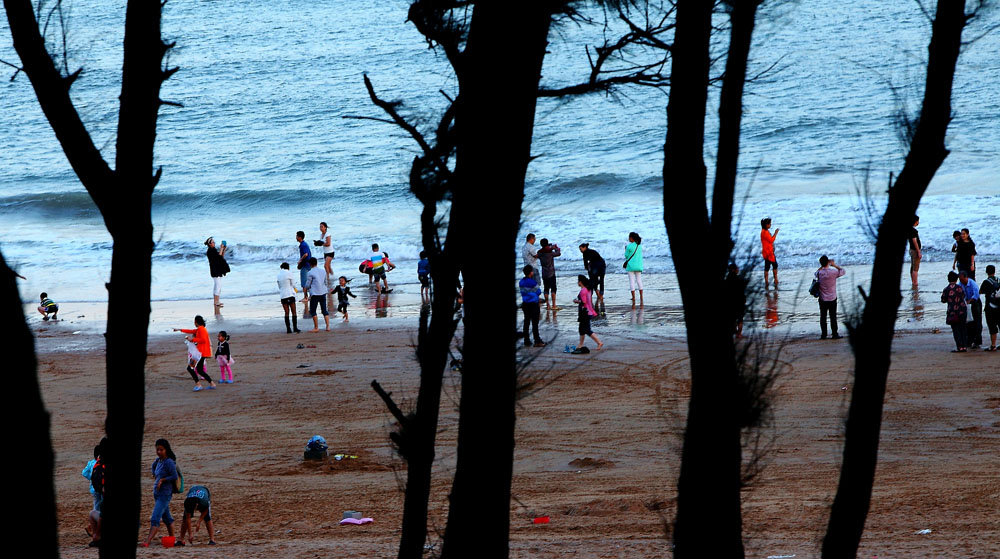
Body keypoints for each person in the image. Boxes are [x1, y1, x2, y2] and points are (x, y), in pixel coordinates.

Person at [141, 439, 178, 547]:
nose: (159, 452)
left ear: (166, 450)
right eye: (157, 449)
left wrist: (162, 480)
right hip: (157, 494)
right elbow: (153, 469)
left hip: (165, 494)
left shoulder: (169, 462)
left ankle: (147, 541)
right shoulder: (158, 461)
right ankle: (172, 540)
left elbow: (174, 476)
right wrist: (156, 477)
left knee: (155, 517)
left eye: (161, 450)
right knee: (167, 518)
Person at [175, 315, 216, 391]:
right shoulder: (200, 329)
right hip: (200, 353)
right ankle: (212, 383)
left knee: (190, 368)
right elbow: (191, 331)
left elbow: (203, 340)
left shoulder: (201, 329)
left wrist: (192, 340)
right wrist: (180, 329)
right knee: (199, 370)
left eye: (194, 321)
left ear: (196, 322)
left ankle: (199, 384)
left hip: (200, 353)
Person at [815, 255, 846, 339]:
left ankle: (824, 334)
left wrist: (823, 265)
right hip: (832, 297)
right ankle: (834, 334)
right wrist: (834, 265)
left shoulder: (819, 273)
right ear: (828, 262)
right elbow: (843, 271)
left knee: (823, 316)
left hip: (822, 298)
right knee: (833, 316)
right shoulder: (833, 272)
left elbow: (816, 273)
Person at [572, 274, 603, 353]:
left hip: (585, 312)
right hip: (588, 311)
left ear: (581, 282)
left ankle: (599, 342)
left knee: (586, 330)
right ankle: (580, 344)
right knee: (582, 329)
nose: (577, 282)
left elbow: (584, 302)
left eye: (578, 281)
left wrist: (576, 301)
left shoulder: (583, 291)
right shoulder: (589, 289)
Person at [941, 271, 968, 352]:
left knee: (956, 330)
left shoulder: (946, 289)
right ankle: (964, 346)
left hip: (953, 312)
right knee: (963, 329)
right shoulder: (960, 288)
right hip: (962, 310)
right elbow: (964, 296)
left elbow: (943, 300)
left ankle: (959, 347)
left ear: (948, 279)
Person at [519, 265, 544, 347]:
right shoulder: (533, 282)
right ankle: (537, 340)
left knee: (526, 322)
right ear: (530, 273)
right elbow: (539, 291)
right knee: (535, 323)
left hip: (525, 303)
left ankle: (527, 340)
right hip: (533, 304)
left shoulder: (521, 282)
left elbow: (523, 292)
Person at [204, 237, 230, 314]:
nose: (214, 243)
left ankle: (216, 301)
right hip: (215, 270)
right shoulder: (210, 251)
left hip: (217, 269)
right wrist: (221, 248)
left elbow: (221, 257)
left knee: (218, 285)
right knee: (218, 285)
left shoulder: (213, 250)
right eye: (213, 242)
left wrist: (223, 249)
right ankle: (216, 301)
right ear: (209, 244)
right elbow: (218, 257)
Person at [304, 257, 330, 332]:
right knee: (324, 310)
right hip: (323, 292)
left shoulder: (310, 272)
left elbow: (308, 284)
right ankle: (328, 326)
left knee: (313, 310)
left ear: (310, 264)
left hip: (315, 293)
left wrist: (305, 292)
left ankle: (316, 327)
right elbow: (325, 282)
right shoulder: (323, 271)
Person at [958, 270, 982, 349]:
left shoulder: (972, 283)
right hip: (966, 304)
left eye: (962, 279)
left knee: (977, 321)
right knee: (968, 322)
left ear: (966, 277)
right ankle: (969, 340)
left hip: (975, 303)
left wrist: (969, 301)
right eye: (960, 279)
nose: (961, 281)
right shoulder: (960, 284)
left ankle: (977, 341)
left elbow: (976, 295)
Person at [537, 239, 562, 310]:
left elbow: (541, 252)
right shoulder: (550, 253)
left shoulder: (540, 253)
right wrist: (556, 248)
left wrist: (550, 248)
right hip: (551, 273)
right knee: (553, 288)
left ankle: (548, 305)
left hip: (544, 273)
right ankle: (554, 305)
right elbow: (558, 253)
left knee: (546, 289)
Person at [980, 265, 999, 352]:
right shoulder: (999, 280)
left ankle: (993, 345)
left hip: (990, 307)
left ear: (986, 272)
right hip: (999, 306)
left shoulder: (986, 282)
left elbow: (980, 292)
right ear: (994, 271)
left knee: (992, 326)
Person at [277, 262, 300, 334]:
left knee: (286, 312)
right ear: (288, 267)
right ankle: (295, 328)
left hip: (283, 295)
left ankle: (288, 329)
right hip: (290, 294)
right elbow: (293, 284)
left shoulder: (278, 275)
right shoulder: (289, 273)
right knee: (294, 311)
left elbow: (279, 286)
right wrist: (295, 290)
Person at [725, 263, 746, 338]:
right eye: (737, 268)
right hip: (739, 301)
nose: (738, 269)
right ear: (733, 270)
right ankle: (739, 334)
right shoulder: (739, 279)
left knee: (732, 318)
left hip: (730, 302)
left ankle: (735, 332)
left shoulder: (727, 279)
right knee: (740, 319)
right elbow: (743, 288)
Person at [624, 232, 644, 306]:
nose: (629, 238)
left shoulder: (629, 246)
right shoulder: (639, 246)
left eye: (629, 237)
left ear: (632, 238)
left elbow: (626, 256)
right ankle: (641, 296)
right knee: (639, 281)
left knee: (632, 282)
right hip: (638, 266)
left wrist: (625, 249)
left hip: (630, 266)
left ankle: (633, 297)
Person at [296, 231, 312, 317]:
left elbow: (306, 254)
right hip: (308, 264)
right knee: (308, 281)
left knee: (304, 282)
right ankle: (308, 296)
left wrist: (300, 260)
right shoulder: (304, 244)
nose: (296, 237)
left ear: (300, 237)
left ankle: (306, 297)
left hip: (305, 265)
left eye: (297, 236)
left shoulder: (303, 245)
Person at [760, 218, 779, 288]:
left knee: (768, 266)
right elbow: (771, 240)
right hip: (768, 252)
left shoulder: (764, 231)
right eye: (769, 224)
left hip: (767, 252)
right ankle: (774, 279)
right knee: (774, 265)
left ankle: (768, 281)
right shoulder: (764, 232)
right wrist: (775, 233)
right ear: (766, 225)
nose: (770, 225)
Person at [906, 215, 922, 288]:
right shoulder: (913, 231)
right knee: (915, 268)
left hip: (911, 249)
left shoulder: (909, 229)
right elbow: (914, 241)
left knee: (912, 267)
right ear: (915, 221)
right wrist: (918, 251)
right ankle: (915, 283)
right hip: (915, 250)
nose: (918, 222)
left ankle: (913, 281)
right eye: (918, 221)